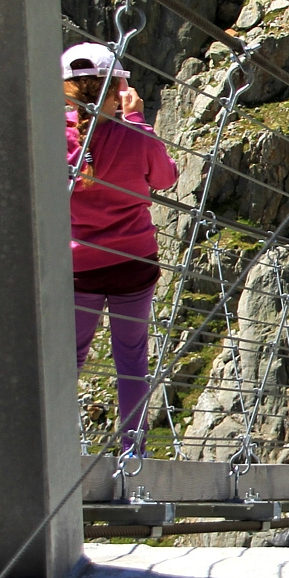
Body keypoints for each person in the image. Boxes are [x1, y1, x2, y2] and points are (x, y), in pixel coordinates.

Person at [64, 42, 179, 455]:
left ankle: (56, 445)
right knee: (131, 358)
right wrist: (134, 119)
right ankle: (134, 449)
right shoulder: (135, 135)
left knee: (70, 358)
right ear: (119, 88)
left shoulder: (54, 141)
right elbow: (165, 178)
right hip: (133, 262)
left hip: (78, 266)